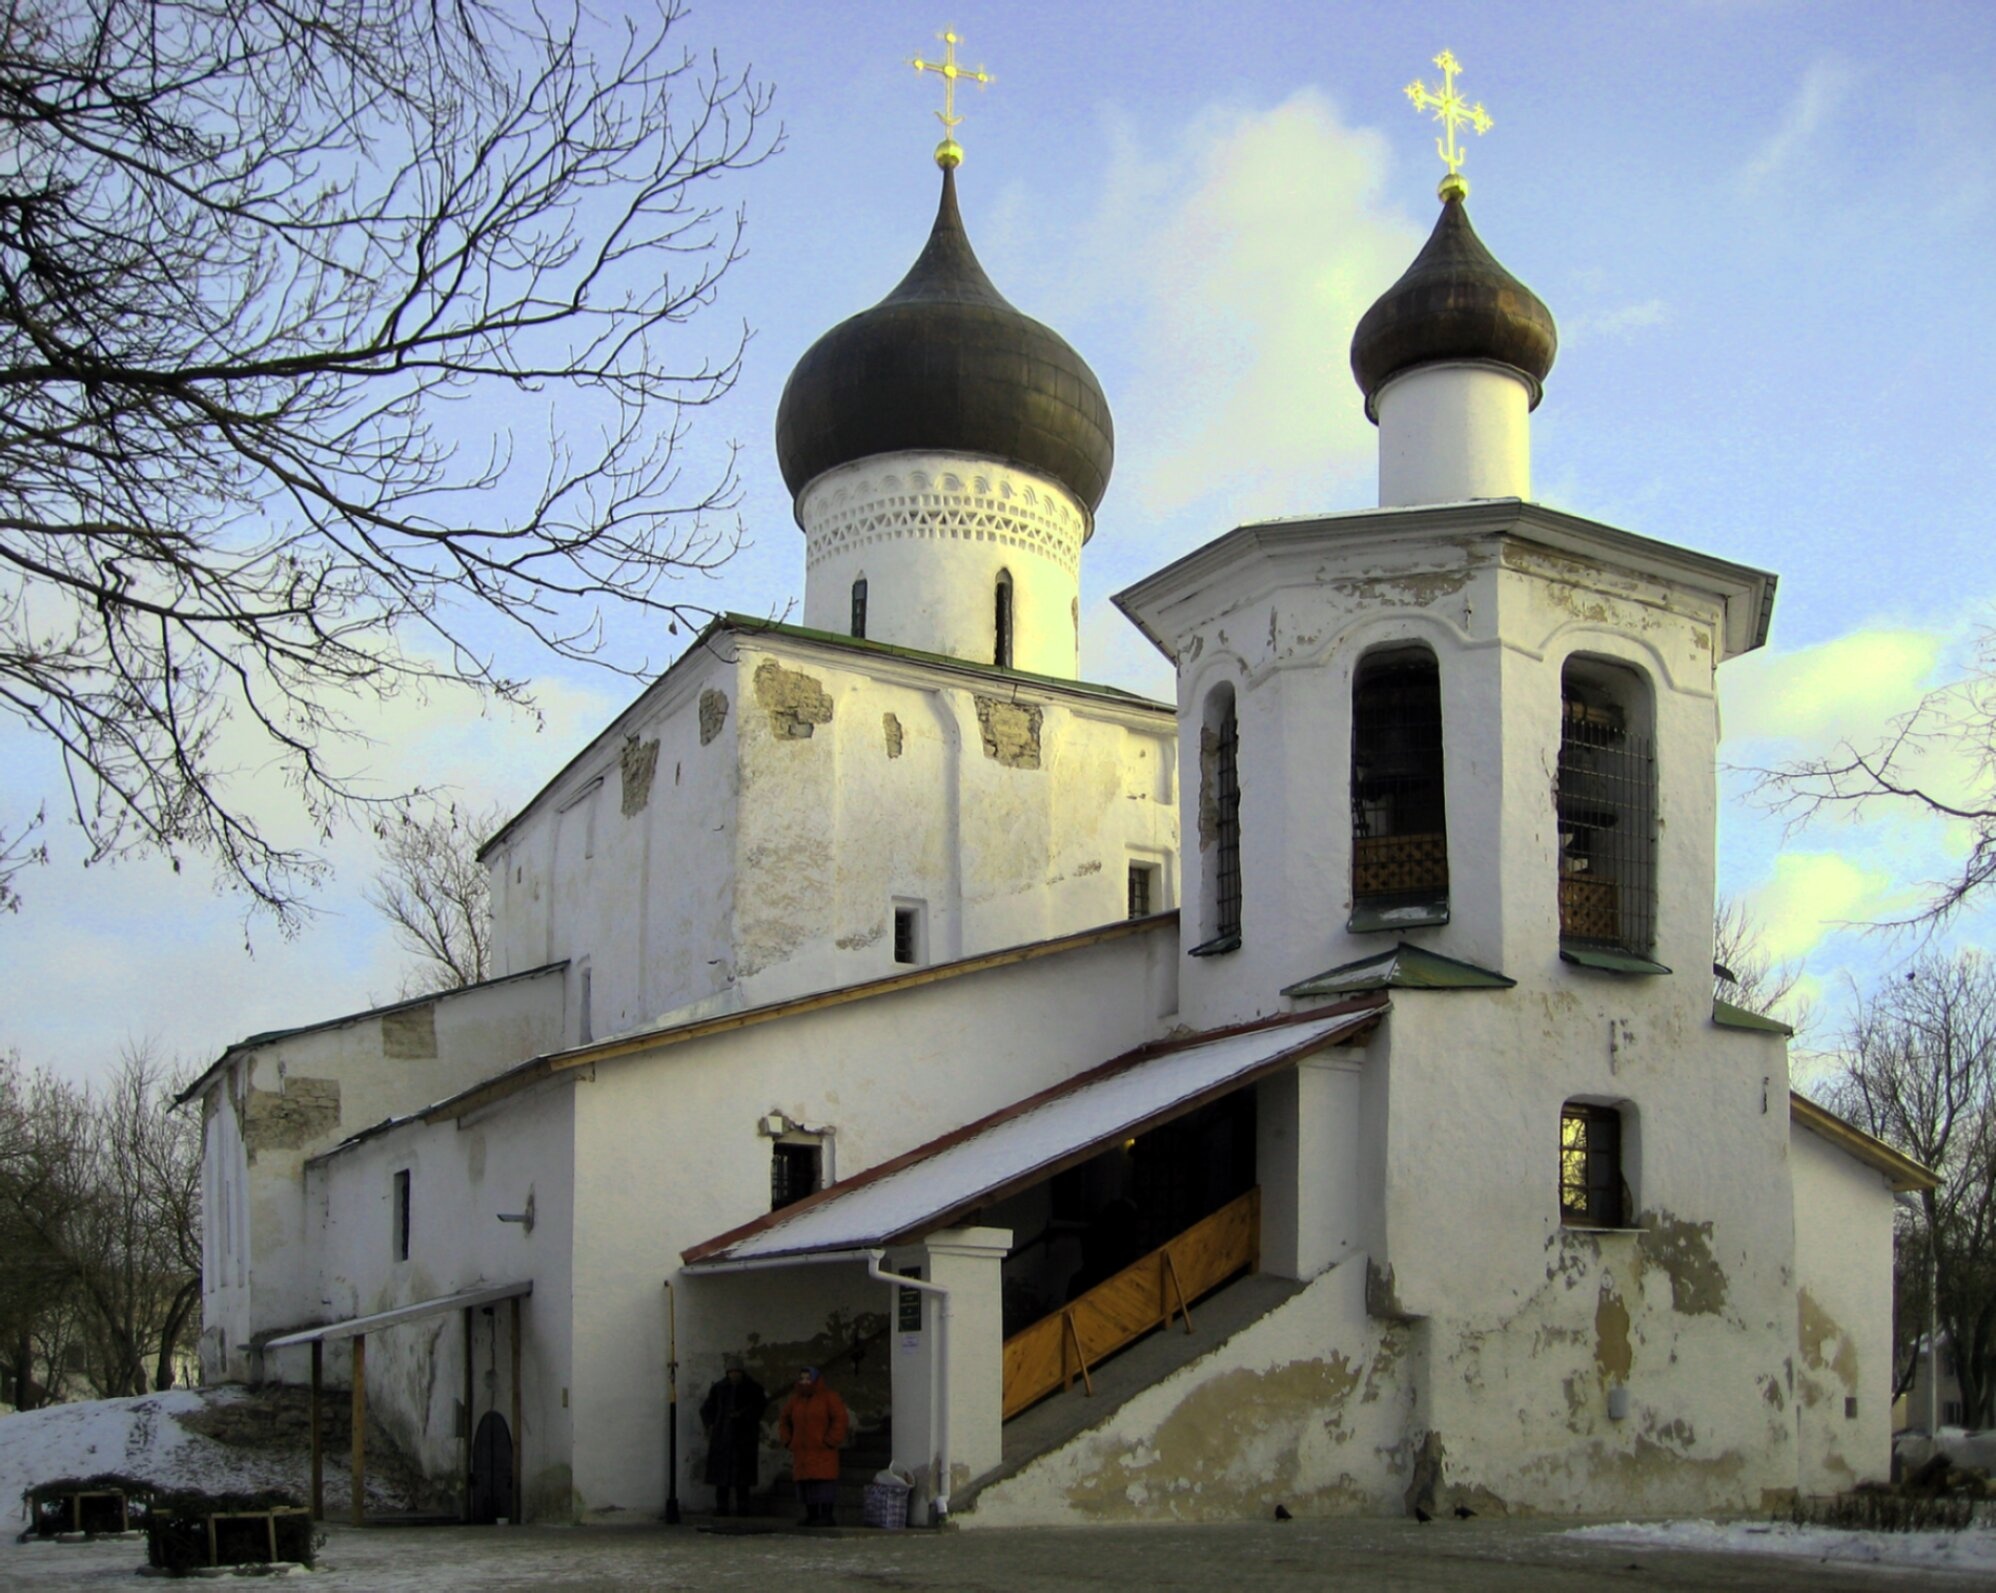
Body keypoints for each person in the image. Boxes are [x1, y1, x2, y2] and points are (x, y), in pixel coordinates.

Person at [776, 1365, 849, 1526]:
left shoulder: (829, 1398)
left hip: (822, 1450)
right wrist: (788, 1440)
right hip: (802, 1451)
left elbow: (840, 1419)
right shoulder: (795, 1400)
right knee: (807, 1484)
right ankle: (812, 1514)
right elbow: (784, 1420)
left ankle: (826, 1515)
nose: (805, 1382)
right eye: (802, 1378)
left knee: (823, 1484)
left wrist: (830, 1440)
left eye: (808, 1378)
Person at [699, 1360, 768, 1517]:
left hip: (744, 1438)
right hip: (722, 1437)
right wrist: (711, 1425)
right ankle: (722, 1507)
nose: (734, 1374)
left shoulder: (753, 1388)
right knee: (721, 1477)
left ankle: (743, 1507)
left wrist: (744, 1417)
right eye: (731, 1371)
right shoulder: (719, 1388)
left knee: (742, 1478)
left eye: (737, 1371)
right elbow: (707, 1408)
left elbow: (759, 1407)